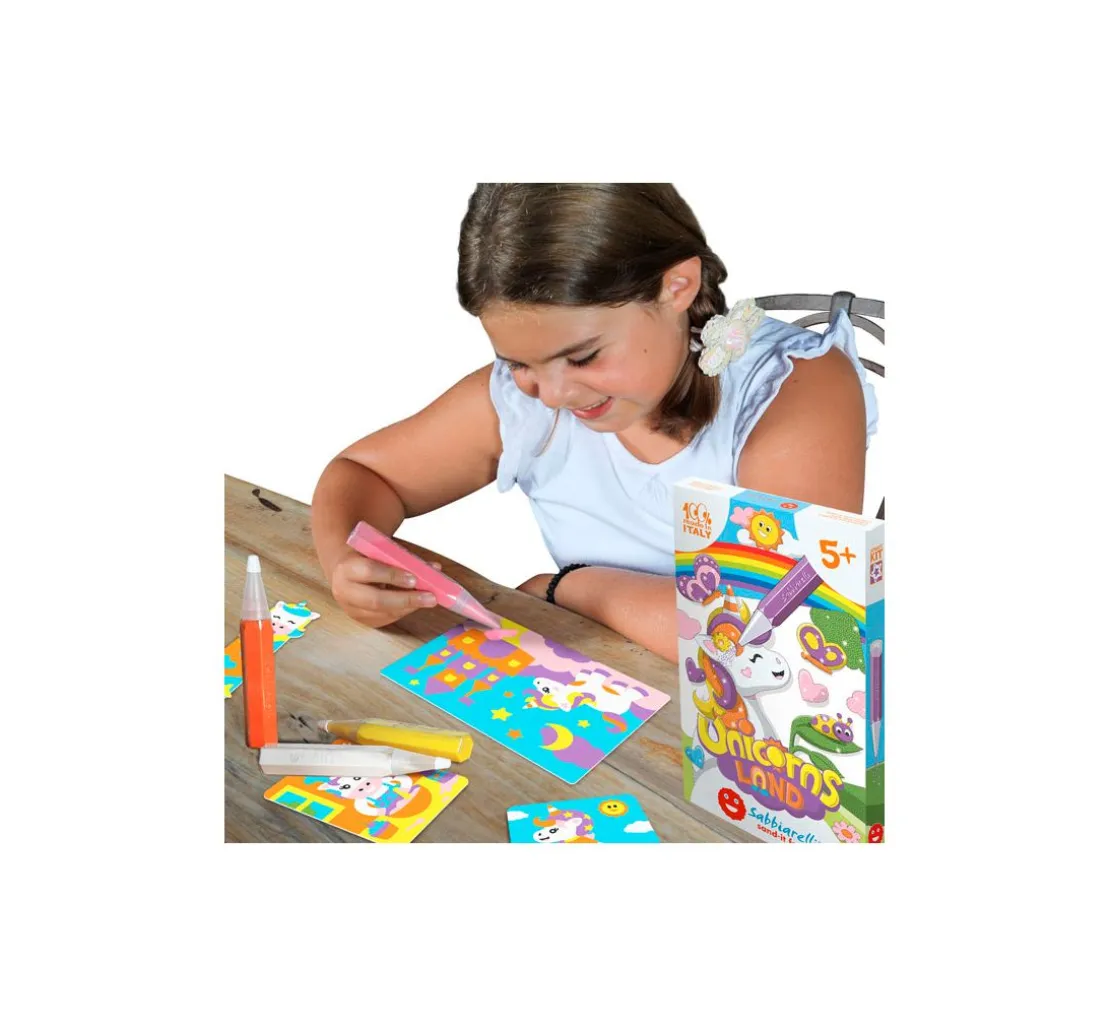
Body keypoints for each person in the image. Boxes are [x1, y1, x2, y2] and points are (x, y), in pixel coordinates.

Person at [311, 184, 878, 662]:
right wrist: (347, 562)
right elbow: (365, 473)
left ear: (677, 287)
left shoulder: (796, 390)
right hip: (617, 687)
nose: (554, 394)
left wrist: (570, 587)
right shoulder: (529, 400)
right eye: (519, 363)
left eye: (583, 357)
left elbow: (773, 630)